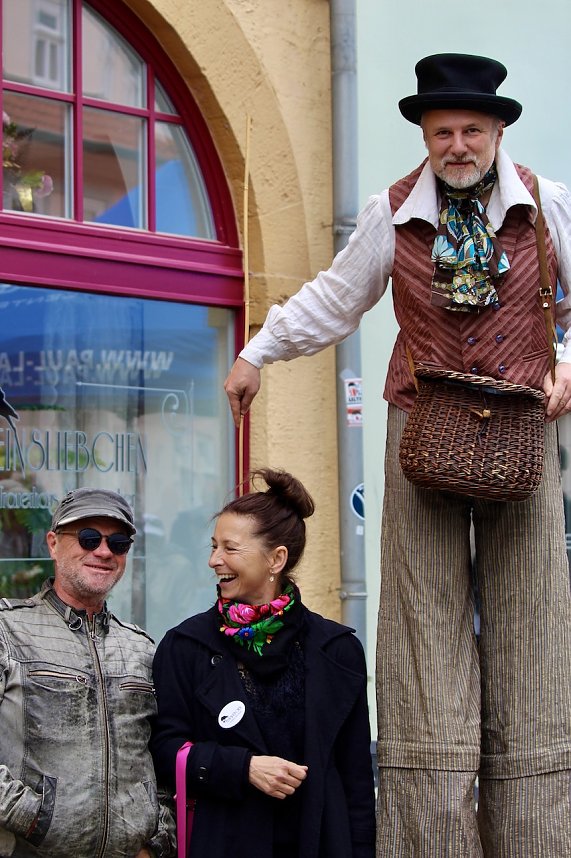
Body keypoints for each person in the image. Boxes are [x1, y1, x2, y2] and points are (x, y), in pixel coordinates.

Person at [223, 53, 571, 856]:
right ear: (424, 133)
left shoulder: (546, 204)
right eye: (442, 130)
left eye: (471, 130)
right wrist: (257, 352)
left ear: (496, 132)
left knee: (534, 637)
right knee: (420, 635)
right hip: (423, 432)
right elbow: (334, 299)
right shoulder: (391, 213)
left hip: (521, 436)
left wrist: (565, 360)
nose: (457, 144)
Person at [150, 468, 376, 858]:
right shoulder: (185, 646)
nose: (213, 560)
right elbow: (163, 752)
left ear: (276, 559)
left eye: (229, 548)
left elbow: (356, 780)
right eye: (213, 546)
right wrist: (242, 768)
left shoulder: (335, 650)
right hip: (224, 843)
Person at [0, 487, 175, 858]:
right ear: (52, 543)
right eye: (88, 537)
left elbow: (164, 755)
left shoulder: (142, 649)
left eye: (119, 542)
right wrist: (34, 818)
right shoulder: (8, 632)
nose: (104, 551)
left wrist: (158, 841)